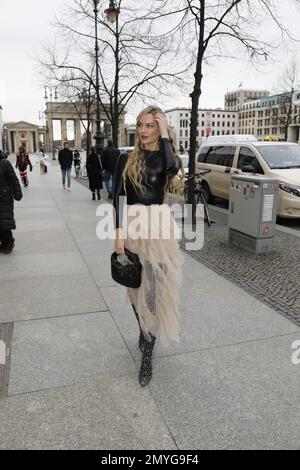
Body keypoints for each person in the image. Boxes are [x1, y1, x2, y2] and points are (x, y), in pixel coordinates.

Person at [113, 105, 185, 387]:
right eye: (140, 125)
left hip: (157, 228)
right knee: (134, 287)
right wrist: (118, 232)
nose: (143, 131)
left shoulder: (167, 158)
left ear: (159, 129)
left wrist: (165, 132)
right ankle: (143, 330)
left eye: (149, 126)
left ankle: (148, 352)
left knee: (154, 289)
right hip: (131, 227)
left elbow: (171, 167)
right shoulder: (125, 159)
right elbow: (118, 196)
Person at [0, 150, 23, 254]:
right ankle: (4, 243)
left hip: (4, 197)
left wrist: (17, 192)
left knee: (4, 221)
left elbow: (13, 179)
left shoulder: (4, 163)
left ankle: (8, 243)